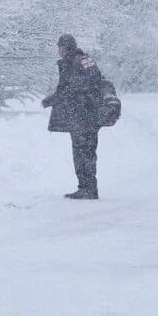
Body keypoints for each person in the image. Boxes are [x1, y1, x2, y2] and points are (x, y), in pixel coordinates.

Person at [42, 34, 106, 200]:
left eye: (60, 47)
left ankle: (87, 188)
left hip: (81, 114)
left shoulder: (74, 62)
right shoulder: (84, 60)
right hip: (89, 113)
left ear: (65, 48)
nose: (59, 50)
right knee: (87, 151)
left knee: (82, 152)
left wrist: (54, 99)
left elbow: (73, 88)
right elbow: (92, 82)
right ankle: (88, 187)